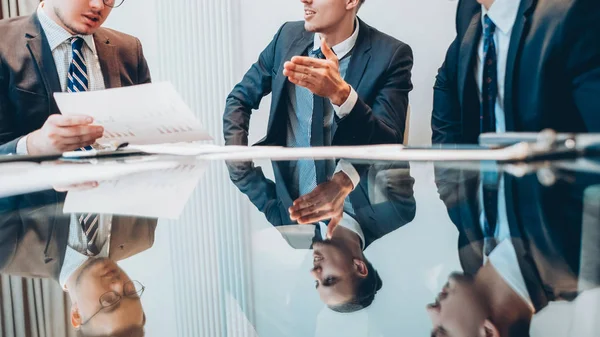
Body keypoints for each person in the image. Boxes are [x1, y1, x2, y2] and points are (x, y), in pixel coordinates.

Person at [224, 0, 413, 227]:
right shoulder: (286, 37)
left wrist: (342, 96)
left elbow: (390, 144)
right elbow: (240, 98)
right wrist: (238, 164)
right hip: (281, 171)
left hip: (354, 183)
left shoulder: (391, 55)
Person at [430, 165, 600, 336]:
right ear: (488, 333)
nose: (430, 310)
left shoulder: (471, 243)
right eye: (442, 332)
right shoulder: (575, 260)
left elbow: (451, 153)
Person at [431, 0, 600, 145]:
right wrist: (452, 181)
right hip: (486, 178)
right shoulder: (470, 12)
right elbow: (446, 85)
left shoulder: (572, 13)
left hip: (552, 177)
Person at [0, 0, 151, 156]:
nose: (98, 6)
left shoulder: (129, 49)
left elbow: (147, 131)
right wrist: (32, 145)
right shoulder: (4, 42)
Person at [0, 190, 157, 336]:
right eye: (130, 291)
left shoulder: (10, 250)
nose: (118, 284)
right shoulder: (141, 232)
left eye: (109, 301)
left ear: (76, 315)